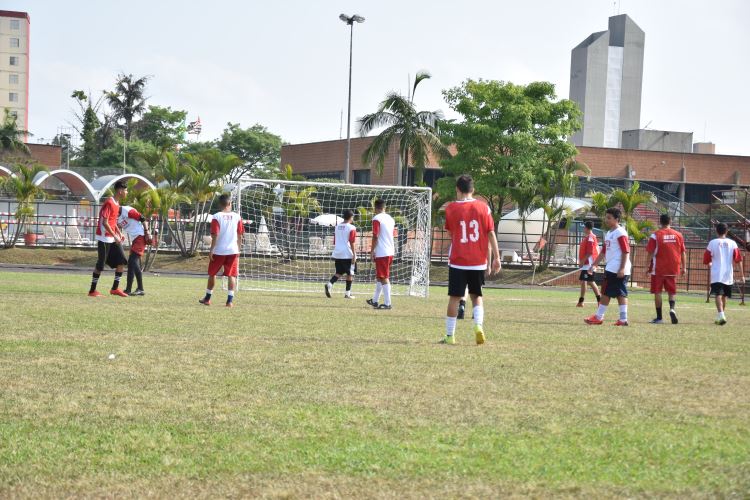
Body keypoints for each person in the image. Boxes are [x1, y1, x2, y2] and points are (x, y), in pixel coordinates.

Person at [441, 174, 501, 345]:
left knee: (454, 297)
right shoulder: (484, 208)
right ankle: (478, 327)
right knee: (476, 296)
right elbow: (490, 232)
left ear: (457, 189)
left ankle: (450, 336)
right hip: (478, 261)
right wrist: (496, 257)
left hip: (458, 260)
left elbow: (451, 233)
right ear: (473, 190)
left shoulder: (451, 208)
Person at [584, 207, 631, 326]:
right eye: (606, 217)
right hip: (613, 267)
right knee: (620, 293)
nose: (606, 220)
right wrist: (594, 265)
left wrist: (621, 268)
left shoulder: (620, 232)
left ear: (617, 219)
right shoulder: (610, 233)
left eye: (609, 218)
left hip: (616, 268)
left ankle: (599, 317)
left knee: (606, 292)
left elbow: (626, 251)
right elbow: (604, 251)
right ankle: (623, 319)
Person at [198, 193, 244, 307]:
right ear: (229, 203)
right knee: (231, 275)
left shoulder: (216, 216)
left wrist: (211, 249)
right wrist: (239, 249)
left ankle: (207, 298)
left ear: (220, 204)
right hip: (233, 251)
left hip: (219, 251)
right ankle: (229, 301)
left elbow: (215, 235)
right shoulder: (237, 216)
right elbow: (240, 235)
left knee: (212, 274)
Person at [88, 181, 129, 297]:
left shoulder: (117, 203)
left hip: (112, 237)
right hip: (104, 238)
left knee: (122, 261)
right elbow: (105, 223)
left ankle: (115, 289)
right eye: (126, 190)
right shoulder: (109, 203)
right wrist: (115, 235)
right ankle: (92, 291)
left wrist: (119, 233)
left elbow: (113, 221)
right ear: (120, 191)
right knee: (100, 266)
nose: (127, 192)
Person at [646, 214, 686, 324]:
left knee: (657, 292)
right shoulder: (678, 235)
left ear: (660, 222)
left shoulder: (655, 235)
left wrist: (646, 267)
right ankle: (672, 309)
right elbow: (683, 252)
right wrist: (684, 267)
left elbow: (650, 252)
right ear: (670, 221)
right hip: (673, 268)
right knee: (671, 291)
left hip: (658, 268)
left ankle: (659, 318)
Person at [703, 222, 745, 325]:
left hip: (717, 273)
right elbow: (739, 260)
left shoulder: (712, 243)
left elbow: (706, 259)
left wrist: (710, 263)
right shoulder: (733, 243)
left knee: (718, 294)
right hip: (728, 274)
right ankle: (721, 315)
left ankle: (721, 315)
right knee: (724, 295)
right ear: (726, 231)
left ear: (716, 231)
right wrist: (742, 275)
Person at [366, 199, 396, 310]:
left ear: (375, 208)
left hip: (382, 252)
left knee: (383, 277)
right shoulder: (391, 219)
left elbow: (375, 236)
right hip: (390, 250)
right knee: (380, 276)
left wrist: (372, 250)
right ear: (385, 207)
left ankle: (388, 304)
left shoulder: (377, 218)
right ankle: (375, 300)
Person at [117, 204, 151, 296]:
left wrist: (147, 232)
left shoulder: (127, 210)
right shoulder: (116, 216)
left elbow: (142, 218)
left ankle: (136, 289)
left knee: (132, 262)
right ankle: (134, 289)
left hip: (140, 236)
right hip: (135, 239)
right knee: (132, 264)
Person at [325, 209, 357, 299]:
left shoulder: (337, 227)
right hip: (347, 253)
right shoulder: (352, 228)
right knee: (350, 273)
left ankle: (329, 284)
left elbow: (335, 241)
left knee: (339, 272)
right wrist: (354, 254)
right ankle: (347, 294)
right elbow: (352, 241)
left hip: (338, 252)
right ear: (351, 217)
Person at [577, 220, 601, 307]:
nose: (583, 229)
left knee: (589, 281)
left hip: (588, 264)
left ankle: (599, 300)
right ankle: (581, 301)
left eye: (584, 227)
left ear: (586, 228)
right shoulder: (589, 237)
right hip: (587, 264)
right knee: (585, 281)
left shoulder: (591, 237)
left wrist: (583, 261)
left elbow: (590, 252)